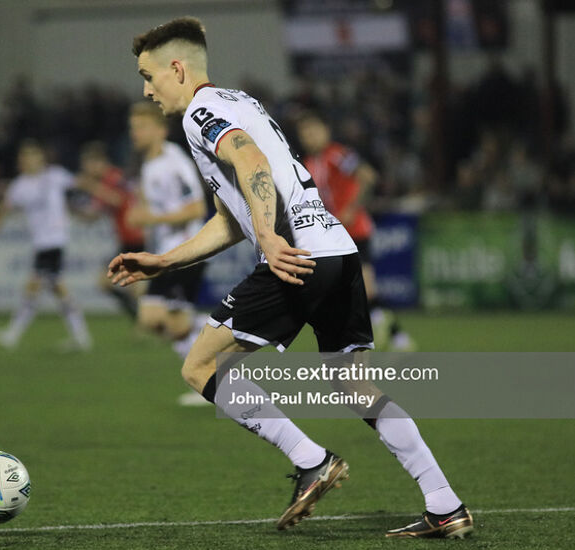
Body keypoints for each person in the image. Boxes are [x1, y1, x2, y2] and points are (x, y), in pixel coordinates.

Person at [108, 17, 471, 538]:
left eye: (148, 75)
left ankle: (310, 460)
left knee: (200, 365)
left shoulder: (200, 113)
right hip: (337, 247)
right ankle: (444, 503)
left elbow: (249, 159)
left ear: (177, 68)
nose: (146, 89)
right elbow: (229, 217)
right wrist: (165, 261)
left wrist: (270, 236)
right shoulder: (242, 103)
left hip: (298, 256)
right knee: (355, 385)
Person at [297, 112, 415, 351]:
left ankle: (388, 338)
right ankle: (391, 338)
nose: (310, 137)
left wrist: (352, 208)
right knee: (355, 291)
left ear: (326, 131)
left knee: (362, 290)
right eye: (305, 134)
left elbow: (368, 176)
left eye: (314, 131)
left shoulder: (337, 155)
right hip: (335, 234)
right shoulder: (308, 163)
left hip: (356, 230)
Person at [127, 101, 209, 406]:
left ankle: (206, 382)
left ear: (160, 130)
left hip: (188, 249)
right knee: (151, 319)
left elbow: (197, 208)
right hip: (165, 251)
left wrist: (151, 218)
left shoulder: (175, 162)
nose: (135, 133)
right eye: (133, 127)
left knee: (172, 323)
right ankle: (212, 329)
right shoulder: (149, 165)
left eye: (141, 127)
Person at [0, 140, 91, 351]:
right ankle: (81, 337)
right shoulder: (20, 185)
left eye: (31, 156)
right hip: (41, 243)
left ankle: (12, 335)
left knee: (34, 287)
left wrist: (94, 200)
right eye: (24, 158)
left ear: (41, 159)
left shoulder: (55, 175)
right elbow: (5, 207)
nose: (27, 161)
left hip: (54, 241)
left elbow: (79, 183)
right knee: (57, 289)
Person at [76, 141, 145, 319]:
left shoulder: (114, 177)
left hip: (134, 236)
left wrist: (91, 186)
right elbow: (95, 214)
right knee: (114, 285)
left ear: (98, 162)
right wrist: (74, 211)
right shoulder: (107, 181)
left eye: (88, 166)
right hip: (127, 238)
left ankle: (143, 320)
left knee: (129, 286)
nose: (88, 171)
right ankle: (140, 319)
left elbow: (117, 200)